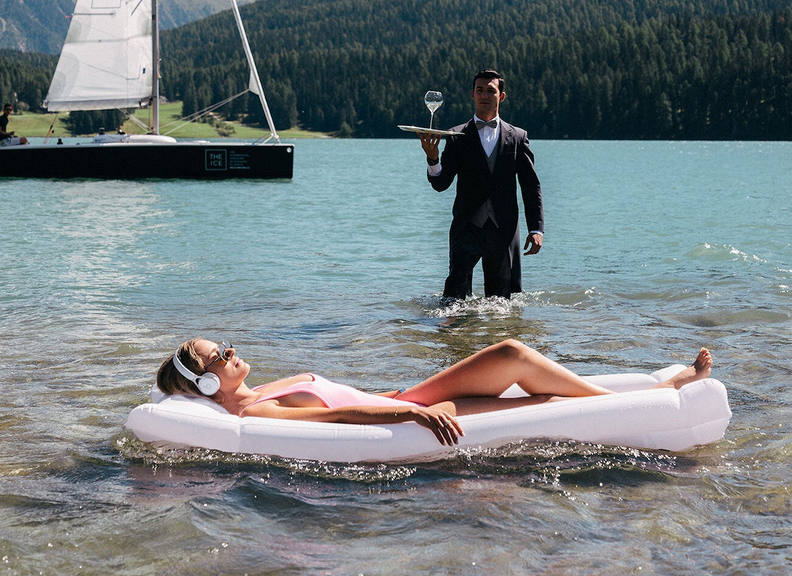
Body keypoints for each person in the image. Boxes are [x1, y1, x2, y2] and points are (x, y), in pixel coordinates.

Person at [154, 336, 714, 446]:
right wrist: (414, 418)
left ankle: (655, 386)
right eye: (216, 356)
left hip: (407, 395)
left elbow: (345, 394)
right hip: (410, 411)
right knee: (518, 366)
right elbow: (337, 418)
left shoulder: (261, 388)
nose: (229, 350)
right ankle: (661, 391)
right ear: (205, 382)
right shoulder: (259, 413)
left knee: (517, 364)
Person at [420, 69, 543, 300]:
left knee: (501, 303)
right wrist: (433, 158)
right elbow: (441, 184)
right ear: (472, 95)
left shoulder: (517, 136)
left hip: (503, 230)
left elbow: (530, 186)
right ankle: (456, 336)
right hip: (466, 228)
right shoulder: (456, 136)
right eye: (480, 90)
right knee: (453, 300)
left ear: (501, 96)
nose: (484, 95)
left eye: (491, 90)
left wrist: (536, 229)